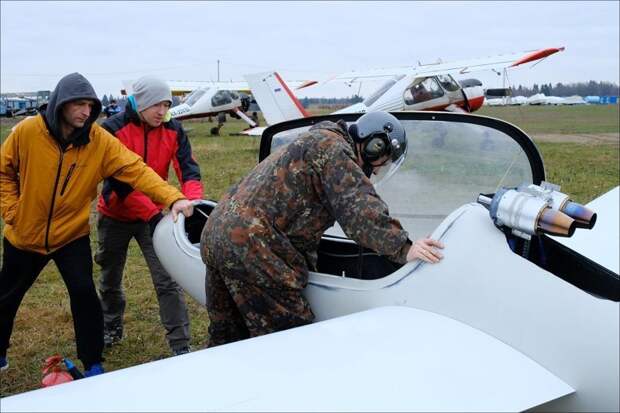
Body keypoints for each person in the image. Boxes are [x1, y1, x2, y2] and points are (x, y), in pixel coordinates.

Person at [0, 72, 194, 376]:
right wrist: (11, 210)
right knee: (7, 296)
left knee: (84, 294)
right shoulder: (27, 131)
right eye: (78, 104)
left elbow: (135, 170)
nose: (85, 112)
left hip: (70, 234)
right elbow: (4, 170)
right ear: (59, 104)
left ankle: (92, 363)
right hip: (24, 234)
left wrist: (172, 198)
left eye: (90, 106)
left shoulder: (99, 140)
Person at [200, 111, 444, 347]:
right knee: (289, 340)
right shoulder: (334, 150)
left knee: (227, 338)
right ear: (374, 145)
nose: (378, 169)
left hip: (217, 234)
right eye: (383, 159)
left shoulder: (318, 140)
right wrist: (404, 247)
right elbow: (359, 209)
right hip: (252, 247)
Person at [95, 76, 203, 355]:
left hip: (154, 217)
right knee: (110, 279)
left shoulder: (173, 130)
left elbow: (188, 169)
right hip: (115, 214)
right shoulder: (111, 130)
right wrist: (153, 214)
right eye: (156, 104)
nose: (162, 110)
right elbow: (120, 183)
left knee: (167, 278)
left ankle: (180, 344)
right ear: (141, 102)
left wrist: (192, 202)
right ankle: (111, 327)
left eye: (167, 104)